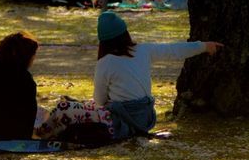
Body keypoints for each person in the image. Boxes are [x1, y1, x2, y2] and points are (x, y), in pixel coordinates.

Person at [93, 11, 221, 140]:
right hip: (147, 117)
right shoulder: (143, 50)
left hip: (121, 119)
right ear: (126, 33)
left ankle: (127, 130)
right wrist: (204, 46)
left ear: (103, 42)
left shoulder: (104, 63)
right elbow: (173, 50)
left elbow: (99, 100)